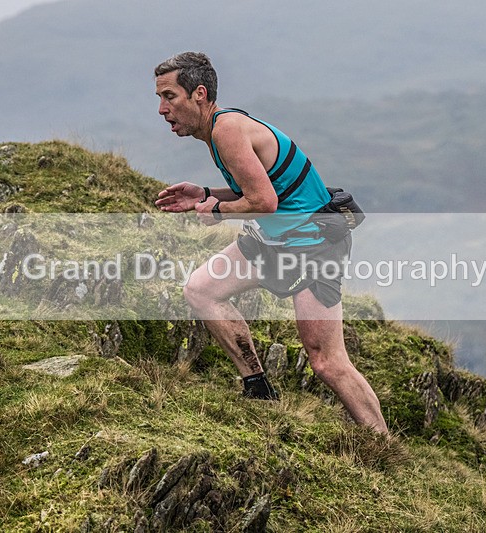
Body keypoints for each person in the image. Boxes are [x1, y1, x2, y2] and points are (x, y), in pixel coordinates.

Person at [153, 52, 388, 434]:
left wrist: (216, 212)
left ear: (198, 93)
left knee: (326, 361)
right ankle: (258, 388)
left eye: (169, 96)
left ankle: (382, 440)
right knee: (201, 289)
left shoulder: (226, 130)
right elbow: (259, 187)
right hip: (273, 242)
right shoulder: (219, 130)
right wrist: (204, 192)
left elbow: (264, 202)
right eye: (159, 98)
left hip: (314, 245)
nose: (162, 109)